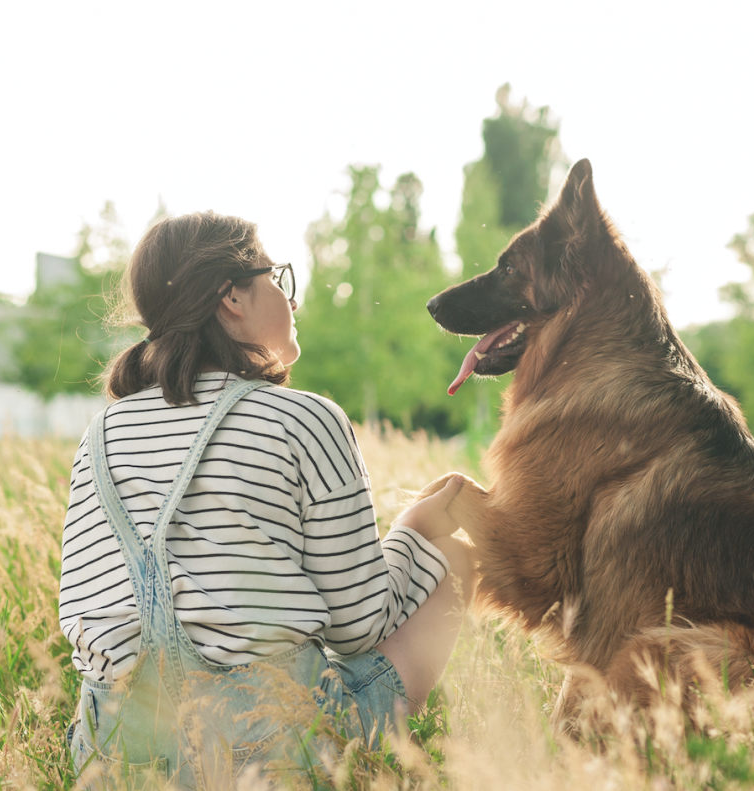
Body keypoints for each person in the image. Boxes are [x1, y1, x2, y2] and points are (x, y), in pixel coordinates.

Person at [59, 211, 474, 787]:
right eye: (279, 278)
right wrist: (412, 530)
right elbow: (359, 628)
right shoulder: (305, 418)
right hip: (267, 753)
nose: (292, 301)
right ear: (232, 295)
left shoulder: (99, 436)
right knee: (455, 559)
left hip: (115, 755)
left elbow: (88, 613)